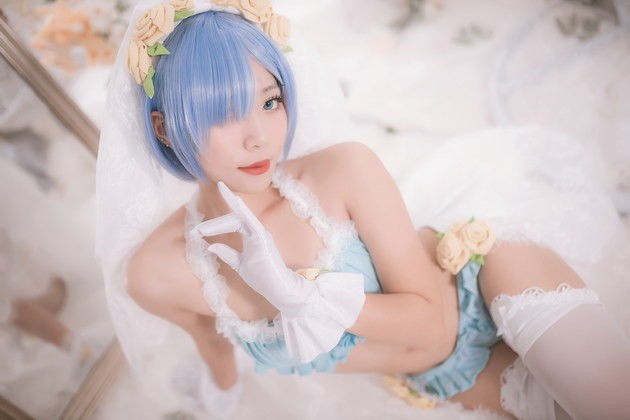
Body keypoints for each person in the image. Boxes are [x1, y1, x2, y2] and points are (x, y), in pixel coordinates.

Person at [96, 1, 630, 419]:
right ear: (164, 127)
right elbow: (213, 341)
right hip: (442, 376)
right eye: (224, 113)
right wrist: (221, 391)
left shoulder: (343, 171)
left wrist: (301, 297)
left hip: (488, 280)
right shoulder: (156, 273)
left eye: (270, 101)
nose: (259, 137)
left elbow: (433, 328)